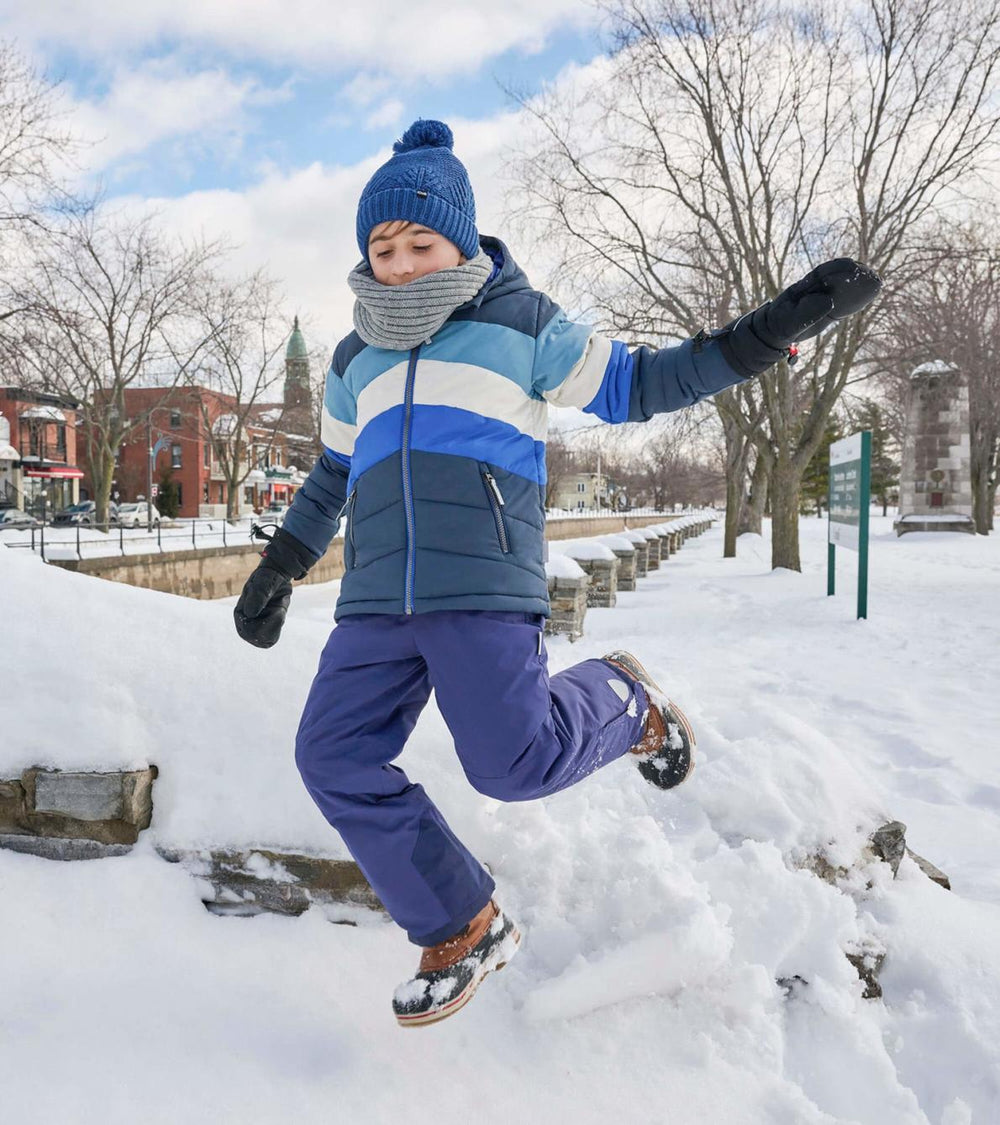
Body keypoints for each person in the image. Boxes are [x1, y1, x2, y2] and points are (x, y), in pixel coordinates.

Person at [234, 119, 881, 1028]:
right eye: (383, 249)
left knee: (514, 764)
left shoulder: (521, 325)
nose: (402, 265)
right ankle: (461, 921)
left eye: (421, 244)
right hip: (376, 598)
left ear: (460, 242)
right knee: (332, 755)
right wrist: (281, 564)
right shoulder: (353, 360)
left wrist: (766, 334)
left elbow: (641, 384)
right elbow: (335, 473)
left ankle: (625, 698)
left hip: (484, 587)